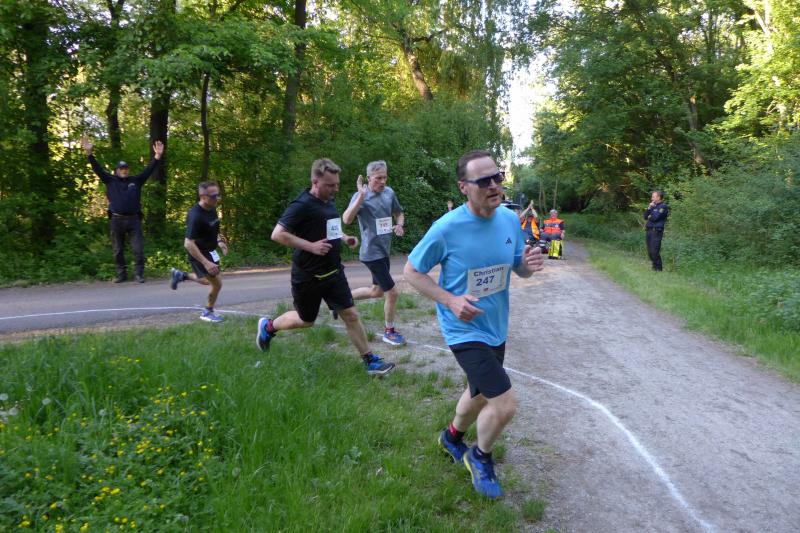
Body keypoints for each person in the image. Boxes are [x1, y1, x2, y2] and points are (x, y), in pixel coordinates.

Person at [403, 150, 545, 498]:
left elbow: (518, 268)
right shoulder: (446, 228)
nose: (494, 185)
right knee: (504, 404)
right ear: (464, 187)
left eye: (498, 177)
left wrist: (528, 266)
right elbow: (412, 272)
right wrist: (450, 300)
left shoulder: (509, 219)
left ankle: (451, 437)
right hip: (463, 329)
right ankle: (480, 457)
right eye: (484, 181)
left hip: (495, 325)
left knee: (479, 394)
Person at [255, 158, 395, 376]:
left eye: (337, 184)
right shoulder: (301, 205)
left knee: (351, 315)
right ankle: (268, 326)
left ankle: (370, 361)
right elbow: (278, 234)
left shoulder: (328, 200)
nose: (335, 189)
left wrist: (345, 237)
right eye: (330, 185)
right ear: (315, 182)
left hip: (334, 271)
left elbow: (331, 228)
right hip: (308, 275)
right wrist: (310, 246)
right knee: (306, 320)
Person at [81, 136, 164, 283]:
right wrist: (89, 153)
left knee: (138, 249)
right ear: (117, 171)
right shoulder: (110, 180)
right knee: (118, 249)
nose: (124, 170)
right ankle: (121, 274)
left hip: (134, 220)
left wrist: (157, 157)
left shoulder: (136, 181)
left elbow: (148, 170)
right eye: (121, 169)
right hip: (116, 219)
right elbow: (97, 169)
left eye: (126, 168)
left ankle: (139, 274)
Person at [342, 160, 407, 346]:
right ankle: (389, 332)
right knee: (392, 292)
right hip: (371, 253)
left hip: (384, 250)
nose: (383, 181)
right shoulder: (361, 196)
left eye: (385, 177)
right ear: (369, 178)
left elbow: (399, 213)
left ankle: (340, 301)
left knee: (376, 291)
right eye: (378, 178)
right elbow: (346, 219)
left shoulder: (389, 193)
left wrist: (400, 225)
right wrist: (361, 197)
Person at [169, 181, 228, 323]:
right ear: (203, 197)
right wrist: (206, 263)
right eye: (213, 196)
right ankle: (207, 312)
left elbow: (213, 229)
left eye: (218, 195)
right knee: (217, 284)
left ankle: (181, 275)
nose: (217, 198)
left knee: (207, 281)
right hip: (199, 254)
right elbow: (188, 243)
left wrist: (219, 242)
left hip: (210, 251)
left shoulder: (212, 208)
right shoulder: (195, 216)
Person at [644, 190, 669, 271]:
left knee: (654, 251)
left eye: (653, 197)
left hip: (656, 231)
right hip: (649, 230)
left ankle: (658, 269)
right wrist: (649, 208)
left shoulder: (663, 206)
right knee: (650, 251)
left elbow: (655, 218)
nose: (652, 198)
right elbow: (645, 216)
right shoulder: (652, 206)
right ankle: (654, 268)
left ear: (658, 197)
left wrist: (651, 214)